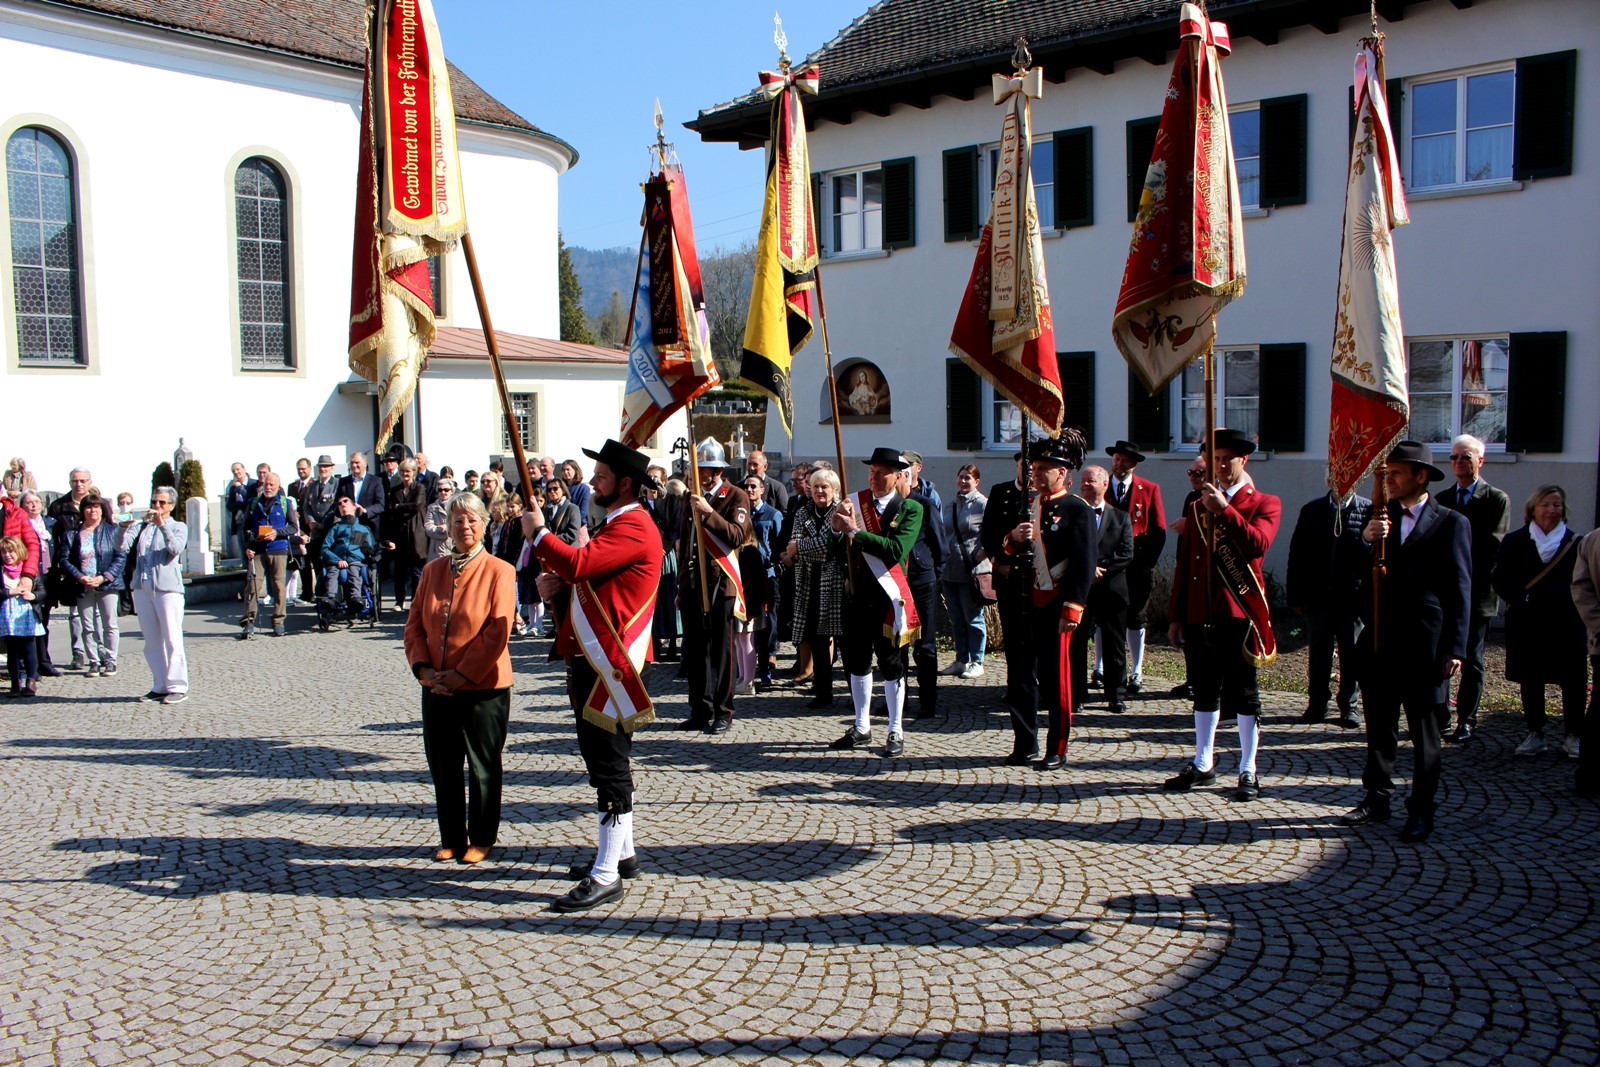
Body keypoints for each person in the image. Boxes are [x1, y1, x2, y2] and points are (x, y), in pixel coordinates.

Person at [524, 439, 663, 913]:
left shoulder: (634, 525)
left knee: (608, 767)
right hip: (597, 658)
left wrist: (540, 534)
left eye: (601, 476)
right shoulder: (617, 523)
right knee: (606, 761)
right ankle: (622, 855)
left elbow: (582, 563)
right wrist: (560, 586)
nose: (593, 482)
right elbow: (594, 582)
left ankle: (606, 876)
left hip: (610, 665)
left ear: (623, 483)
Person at [1342, 442, 1470, 843]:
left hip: (1425, 647)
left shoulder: (1450, 522)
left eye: (1396, 473)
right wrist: (1366, 541)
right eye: (1386, 474)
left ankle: (1421, 809)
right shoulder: (1380, 518)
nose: (1389, 481)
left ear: (1420, 476)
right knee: (1379, 728)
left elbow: (1460, 589)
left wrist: (1456, 648)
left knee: (1425, 734)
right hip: (1380, 642)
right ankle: (1376, 797)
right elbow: (1357, 579)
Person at [1164, 428, 1282, 801]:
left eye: (1228, 458)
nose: (1221, 465)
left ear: (1243, 460)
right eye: (1216, 459)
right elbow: (1186, 563)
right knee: (1204, 688)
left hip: (1239, 612)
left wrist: (1225, 511)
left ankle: (1248, 767)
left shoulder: (1264, 502)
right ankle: (1203, 762)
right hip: (1200, 611)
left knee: (1244, 692)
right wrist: (1176, 614)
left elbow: (1258, 544)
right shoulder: (1197, 507)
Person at [404, 491, 515, 867]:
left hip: (483, 688)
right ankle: (451, 836)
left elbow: (497, 633)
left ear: (484, 524)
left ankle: (482, 837)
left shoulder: (500, 571)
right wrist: (424, 670)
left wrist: (461, 674)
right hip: (436, 686)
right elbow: (414, 626)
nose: (464, 526)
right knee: (444, 765)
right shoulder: (433, 571)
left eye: (471, 520)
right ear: (447, 527)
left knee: (483, 766)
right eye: (457, 520)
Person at [993, 435, 1095, 770]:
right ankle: (1024, 744)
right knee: (1020, 677)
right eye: (1034, 468)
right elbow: (1004, 552)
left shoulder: (1077, 509)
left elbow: (1084, 564)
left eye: (1043, 469)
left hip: (1055, 605)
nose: (1035, 474)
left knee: (1055, 680)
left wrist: (1073, 608)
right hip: (1023, 604)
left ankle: (1057, 747)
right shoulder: (1028, 506)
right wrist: (1012, 539)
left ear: (1062, 472)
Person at [828, 446, 924, 757]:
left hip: (888, 599)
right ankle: (861, 726)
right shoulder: (855, 503)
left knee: (892, 664)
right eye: (872, 471)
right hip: (856, 597)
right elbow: (835, 551)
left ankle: (895, 728)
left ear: (898, 477)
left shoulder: (909, 508)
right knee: (857, 662)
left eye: (882, 473)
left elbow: (895, 550)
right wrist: (836, 529)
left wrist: (855, 531)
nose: (875, 477)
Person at [1492, 485, 1586, 758]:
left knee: (1573, 680)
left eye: (1557, 504)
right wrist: (1521, 597)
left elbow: (1583, 581)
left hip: (1566, 623)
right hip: (1528, 621)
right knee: (1531, 678)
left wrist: (1558, 597)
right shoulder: (1515, 541)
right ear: (1533, 508)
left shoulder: (1576, 543)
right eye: (1545, 504)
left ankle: (1573, 735)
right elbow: (1500, 578)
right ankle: (1535, 733)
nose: (1551, 510)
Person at [676, 439, 752, 735]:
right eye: (694, 470)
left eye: (702, 470)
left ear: (717, 471)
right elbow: (686, 545)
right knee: (695, 652)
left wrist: (708, 512)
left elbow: (736, 536)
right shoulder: (689, 497)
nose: (694, 475)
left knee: (721, 652)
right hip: (694, 584)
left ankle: (724, 710)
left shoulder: (735, 496)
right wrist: (681, 587)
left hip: (721, 585)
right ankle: (700, 709)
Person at [1438, 433, 1510, 744]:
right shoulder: (1443, 499)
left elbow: (1492, 546)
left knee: (1473, 660)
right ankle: (1440, 716)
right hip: (1444, 593)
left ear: (1480, 460)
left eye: (1465, 457)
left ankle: (1466, 720)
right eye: (1454, 457)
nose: (1458, 462)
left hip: (1478, 592)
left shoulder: (1496, 499)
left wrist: (1458, 563)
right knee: (1440, 656)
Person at [1287, 490, 1372, 728]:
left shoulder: (1368, 510)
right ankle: (1317, 704)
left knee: (1351, 653)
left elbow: (1373, 555)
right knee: (1318, 653)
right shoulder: (1312, 510)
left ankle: (1349, 706)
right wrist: (1295, 594)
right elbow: (1298, 553)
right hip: (1318, 596)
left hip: (1352, 597)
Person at [1104, 441, 1167, 694]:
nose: (1119, 464)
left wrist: (1148, 563)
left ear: (1134, 464)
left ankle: (1137, 670)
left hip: (1137, 566)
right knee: (1104, 617)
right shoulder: (1101, 485)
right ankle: (1099, 668)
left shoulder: (1149, 489)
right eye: (1116, 459)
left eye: (1124, 461)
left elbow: (1158, 531)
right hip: (1106, 566)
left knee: (1136, 617)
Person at [783, 468, 847, 708]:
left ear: (834, 489)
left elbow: (832, 547)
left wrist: (802, 547)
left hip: (835, 584)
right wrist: (803, 548)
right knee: (816, 639)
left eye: (824, 487)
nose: (819, 491)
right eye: (815, 486)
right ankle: (823, 692)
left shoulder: (841, 511)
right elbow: (792, 546)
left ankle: (855, 693)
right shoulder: (803, 512)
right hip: (809, 582)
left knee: (844, 642)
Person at [1075, 465, 1133, 714]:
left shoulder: (1121, 517)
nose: (1085, 485)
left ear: (1105, 484)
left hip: (1111, 590)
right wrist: (1088, 570)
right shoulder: (1074, 515)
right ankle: (1077, 693)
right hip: (1081, 588)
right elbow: (1067, 549)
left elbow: (1126, 553)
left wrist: (1101, 569)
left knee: (1114, 644)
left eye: (1090, 481)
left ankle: (1115, 695)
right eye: (1083, 481)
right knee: (1077, 643)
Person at [124, 487, 189, 704]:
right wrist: (123, 528)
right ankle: (160, 685)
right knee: (152, 640)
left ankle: (178, 685)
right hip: (142, 587)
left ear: (171, 505)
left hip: (168, 589)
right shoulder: (143, 526)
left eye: (162, 502)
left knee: (172, 638)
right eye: (154, 502)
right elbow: (121, 546)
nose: (157, 506)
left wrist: (162, 526)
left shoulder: (178, 526)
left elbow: (175, 548)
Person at [980, 451, 1030, 720]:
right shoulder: (1001, 492)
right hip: (1007, 573)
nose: (1029, 470)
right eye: (1024, 465)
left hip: (1037, 578)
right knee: (1012, 634)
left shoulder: (1043, 496)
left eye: (1033, 466)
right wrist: (999, 561)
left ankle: (1035, 684)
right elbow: (988, 533)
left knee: (1034, 635)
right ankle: (1014, 686)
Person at [59, 495, 125, 677]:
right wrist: (80, 577)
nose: (92, 511)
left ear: (102, 510)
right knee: (87, 626)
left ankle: (110, 661)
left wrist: (104, 577)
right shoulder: (72, 534)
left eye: (96, 507)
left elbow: (120, 557)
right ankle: (94, 661)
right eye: (88, 507)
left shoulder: (112, 531)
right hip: (83, 585)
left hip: (107, 585)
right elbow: (64, 559)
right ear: (83, 511)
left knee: (109, 624)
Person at [900, 450, 944, 720]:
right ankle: (898, 700)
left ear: (908, 476)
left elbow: (940, 544)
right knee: (898, 643)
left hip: (922, 579)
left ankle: (928, 700)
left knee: (924, 645)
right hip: (897, 581)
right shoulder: (888, 506)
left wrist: (931, 573)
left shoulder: (925, 504)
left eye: (901, 475)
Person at [939, 464, 989, 680]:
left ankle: (977, 661)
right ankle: (961, 659)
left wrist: (980, 555)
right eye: (960, 477)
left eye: (968, 477)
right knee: (956, 617)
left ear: (976, 481)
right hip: (950, 571)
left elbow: (992, 535)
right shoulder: (950, 505)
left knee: (973, 618)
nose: (963, 481)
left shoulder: (983, 505)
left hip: (971, 572)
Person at [238, 471, 298, 639]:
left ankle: (278, 622)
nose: (268, 487)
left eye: (272, 485)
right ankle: (248, 622)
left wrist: (277, 533)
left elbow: (293, 527)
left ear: (278, 486)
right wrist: (248, 547)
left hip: (278, 549)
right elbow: (246, 528)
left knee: (278, 586)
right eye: (266, 484)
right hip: (258, 550)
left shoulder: (285, 503)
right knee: (252, 585)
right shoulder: (254, 503)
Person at [47, 467, 92, 669]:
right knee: (74, 612)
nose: (79, 484)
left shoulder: (97, 503)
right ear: (70, 482)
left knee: (95, 613)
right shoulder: (59, 506)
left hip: (94, 565)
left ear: (89, 482)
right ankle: (78, 653)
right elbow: (52, 537)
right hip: (70, 565)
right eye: (75, 481)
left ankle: (98, 653)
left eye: (82, 480)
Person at [740, 473, 781, 689]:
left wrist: (774, 565)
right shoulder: (741, 513)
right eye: (746, 486)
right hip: (745, 575)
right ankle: (745, 670)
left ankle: (766, 666)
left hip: (767, 575)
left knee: (767, 623)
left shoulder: (773, 514)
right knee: (746, 625)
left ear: (762, 490)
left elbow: (779, 544)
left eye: (753, 486)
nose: (749, 490)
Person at [1571, 527, 1600, 798]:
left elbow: (1581, 590)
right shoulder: (1593, 541)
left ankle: (1589, 775)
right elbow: (1581, 589)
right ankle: (1589, 775)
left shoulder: (1593, 539)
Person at [18, 490, 56, 679]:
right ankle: (28, 666)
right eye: (29, 502)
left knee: (44, 622)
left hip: (48, 577)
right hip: (29, 576)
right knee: (29, 623)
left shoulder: (49, 524)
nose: (34, 505)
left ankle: (44, 662)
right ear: (22, 506)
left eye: (37, 501)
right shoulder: (20, 524)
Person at [382, 458, 427, 610]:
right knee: (399, 571)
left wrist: (399, 507)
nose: (405, 474)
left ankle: (416, 601)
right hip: (399, 534)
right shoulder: (395, 489)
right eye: (402, 471)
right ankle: (399, 600)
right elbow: (390, 509)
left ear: (414, 472)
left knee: (416, 572)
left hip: (416, 533)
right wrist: (400, 508)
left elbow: (417, 506)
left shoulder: (419, 488)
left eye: (408, 471)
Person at [320, 496, 378, 614]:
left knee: (354, 571)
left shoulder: (363, 529)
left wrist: (384, 545)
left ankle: (356, 599)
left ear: (354, 507)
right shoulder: (335, 528)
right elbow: (325, 548)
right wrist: (337, 560)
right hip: (337, 560)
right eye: (339, 503)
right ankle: (331, 599)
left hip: (355, 560)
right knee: (332, 572)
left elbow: (370, 549)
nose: (342, 504)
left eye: (345, 501)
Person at [651, 478, 684, 662]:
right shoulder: (652, 504)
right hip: (660, 554)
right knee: (660, 600)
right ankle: (659, 641)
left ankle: (671, 641)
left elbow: (674, 528)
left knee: (670, 598)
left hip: (669, 556)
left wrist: (665, 546)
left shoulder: (675, 504)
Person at [300, 455, 342, 599]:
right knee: (317, 563)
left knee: (330, 562)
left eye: (326, 466)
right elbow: (306, 506)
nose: (323, 469)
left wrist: (324, 523)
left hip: (330, 529)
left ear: (332, 468)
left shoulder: (337, 484)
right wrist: (311, 522)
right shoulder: (313, 485)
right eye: (321, 466)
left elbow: (335, 507)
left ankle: (332, 594)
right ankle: (320, 594)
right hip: (315, 531)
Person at [336, 452, 385, 538]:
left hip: (369, 526)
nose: (354, 465)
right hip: (349, 528)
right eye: (352, 463)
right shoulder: (343, 482)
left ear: (365, 464)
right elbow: (336, 503)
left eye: (357, 462)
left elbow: (380, 505)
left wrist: (365, 510)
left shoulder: (375, 481)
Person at [224, 461, 257, 569]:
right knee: (243, 552)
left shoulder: (253, 484)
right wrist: (240, 504)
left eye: (238, 469)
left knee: (253, 551)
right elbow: (229, 506)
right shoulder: (233, 487)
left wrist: (240, 489)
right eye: (233, 470)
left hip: (252, 523)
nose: (236, 472)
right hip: (240, 523)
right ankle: (246, 573)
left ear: (244, 469)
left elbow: (251, 501)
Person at [423, 478, 455, 560]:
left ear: (451, 491)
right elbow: (427, 526)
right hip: (436, 550)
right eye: (440, 490)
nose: (443, 492)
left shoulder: (457, 506)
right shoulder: (432, 507)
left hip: (453, 547)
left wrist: (447, 528)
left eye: (446, 490)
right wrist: (439, 530)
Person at [562, 460, 592, 526]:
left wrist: (571, 524)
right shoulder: (560, 488)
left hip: (577, 525)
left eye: (568, 469)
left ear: (575, 470)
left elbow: (583, 511)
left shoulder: (584, 489)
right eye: (563, 470)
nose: (565, 472)